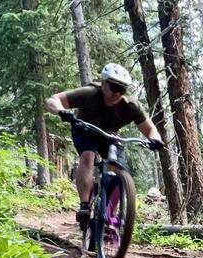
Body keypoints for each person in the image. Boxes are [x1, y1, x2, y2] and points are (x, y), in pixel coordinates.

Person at [45, 63, 164, 227]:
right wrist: (61, 111)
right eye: (114, 87)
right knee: (88, 157)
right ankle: (85, 206)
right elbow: (54, 99)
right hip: (84, 130)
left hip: (110, 136)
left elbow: (150, 129)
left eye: (122, 90)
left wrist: (155, 139)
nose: (117, 93)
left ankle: (107, 213)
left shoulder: (131, 105)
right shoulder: (89, 93)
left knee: (120, 169)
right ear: (104, 83)